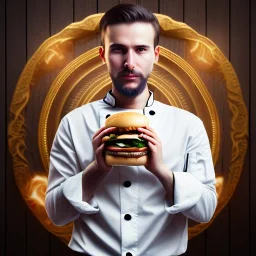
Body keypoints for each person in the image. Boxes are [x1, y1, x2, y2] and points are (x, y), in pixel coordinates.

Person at [45, 4, 217, 256]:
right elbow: (57, 215)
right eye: (118, 49)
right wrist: (97, 169)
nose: (129, 62)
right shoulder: (73, 123)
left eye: (140, 49)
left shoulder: (189, 125)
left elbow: (205, 211)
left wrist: (162, 172)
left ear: (156, 55)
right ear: (103, 55)